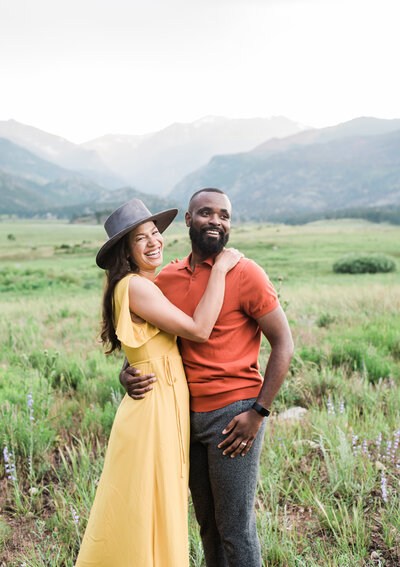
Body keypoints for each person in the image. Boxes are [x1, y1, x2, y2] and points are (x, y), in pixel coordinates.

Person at [121, 188, 294, 567]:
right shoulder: (165, 279)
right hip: (183, 416)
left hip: (234, 415)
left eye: (224, 215)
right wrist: (127, 373)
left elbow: (284, 343)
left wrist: (258, 412)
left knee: (235, 528)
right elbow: (151, 342)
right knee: (207, 526)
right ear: (187, 219)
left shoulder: (246, 272)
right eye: (205, 213)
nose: (216, 220)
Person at [75, 198, 242, 567]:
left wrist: (126, 370)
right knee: (146, 508)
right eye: (141, 239)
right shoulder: (136, 286)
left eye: (155, 234)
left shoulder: (137, 285)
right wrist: (221, 269)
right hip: (154, 410)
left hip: (162, 404)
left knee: (150, 505)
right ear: (126, 251)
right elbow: (199, 330)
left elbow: (140, 348)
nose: (154, 242)